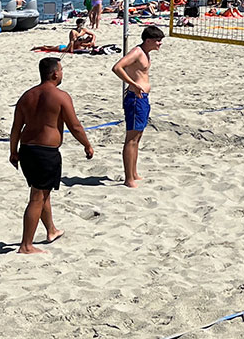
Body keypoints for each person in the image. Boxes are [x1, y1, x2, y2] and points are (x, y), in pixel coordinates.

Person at [9, 57, 94, 254]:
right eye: (61, 70)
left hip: (26, 150)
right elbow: (75, 126)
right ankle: (26, 245)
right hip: (45, 153)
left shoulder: (27, 96)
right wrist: (87, 145)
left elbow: (16, 128)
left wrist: (13, 151)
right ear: (55, 73)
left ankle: (51, 230)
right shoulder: (60, 96)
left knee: (42, 192)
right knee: (37, 197)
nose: (62, 73)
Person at [112, 25, 164, 188]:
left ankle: (133, 173)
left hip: (143, 98)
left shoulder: (145, 53)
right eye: (157, 41)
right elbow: (117, 67)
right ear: (148, 40)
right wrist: (133, 84)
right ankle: (128, 178)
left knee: (138, 137)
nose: (160, 44)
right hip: (135, 98)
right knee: (131, 138)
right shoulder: (137, 52)